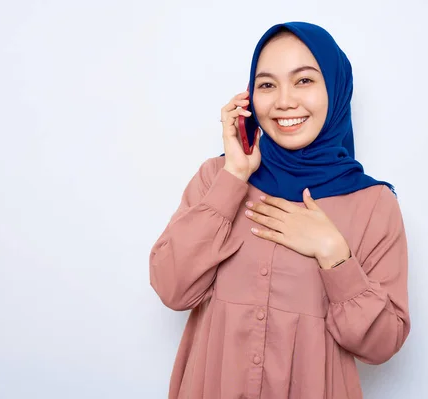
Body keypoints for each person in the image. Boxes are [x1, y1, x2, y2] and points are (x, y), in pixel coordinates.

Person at [149, 21, 410, 399]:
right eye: (267, 84)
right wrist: (234, 178)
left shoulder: (373, 204)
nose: (284, 101)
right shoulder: (216, 178)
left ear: (335, 90)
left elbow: (382, 345)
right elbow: (172, 290)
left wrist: (335, 256)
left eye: (304, 81)